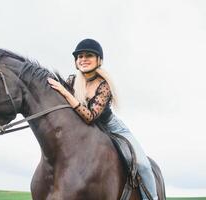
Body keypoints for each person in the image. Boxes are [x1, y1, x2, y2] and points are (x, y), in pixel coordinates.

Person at [47, 39, 158, 200]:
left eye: (89, 55)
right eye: (80, 56)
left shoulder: (103, 85)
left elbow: (90, 117)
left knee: (143, 165)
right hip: (83, 129)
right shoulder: (72, 81)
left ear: (99, 60)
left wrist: (65, 93)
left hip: (111, 127)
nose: (83, 59)